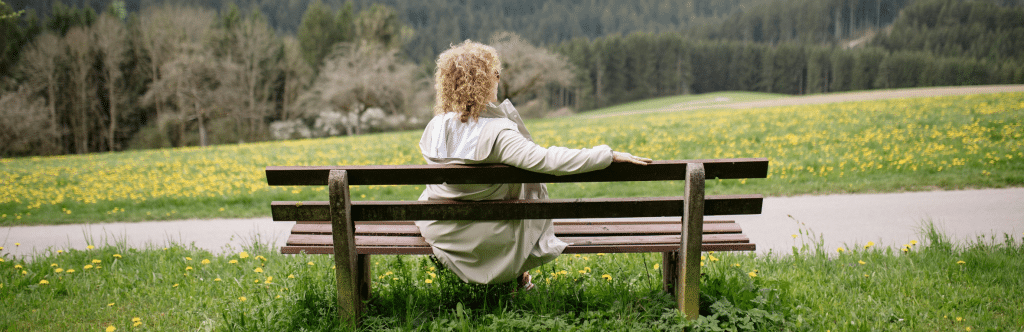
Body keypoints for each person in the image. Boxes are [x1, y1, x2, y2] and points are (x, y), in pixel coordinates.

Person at [416, 40, 652, 290]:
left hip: (444, 229)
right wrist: (607, 155)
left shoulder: (436, 126)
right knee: (527, 191)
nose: (498, 78)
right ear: (483, 81)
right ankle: (517, 279)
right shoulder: (498, 132)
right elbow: (549, 161)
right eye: (494, 73)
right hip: (489, 235)